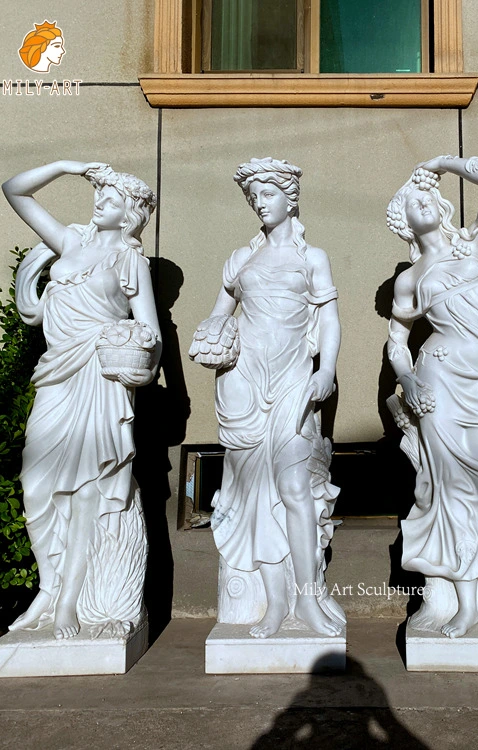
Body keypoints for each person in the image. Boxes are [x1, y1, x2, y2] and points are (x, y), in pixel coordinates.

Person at [2, 160, 160, 639]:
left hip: (99, 377)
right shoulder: (70, 242)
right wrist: (66, 166)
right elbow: (14, 191)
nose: (99, 203)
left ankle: (69, 601)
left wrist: (134, 357)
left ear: (130, 214)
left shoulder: (131, 262)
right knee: (36, 482)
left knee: (86, 489)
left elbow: (151, 333)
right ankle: (47, 590)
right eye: (99, 195)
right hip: (56, 374)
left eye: (111, 200)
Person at [190, 158, 343, 638]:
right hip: (243, 383)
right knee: (259, 497)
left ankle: (308, 600)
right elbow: (219, 316)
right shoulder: (240, 259)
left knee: (296, 492)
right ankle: (275, 603)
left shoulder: (311, 257)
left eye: (268, 193)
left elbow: (331, 319)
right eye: (254, 196)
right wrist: (211, 337)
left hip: (294, 382)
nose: (260, 202)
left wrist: (328, 371)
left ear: (290, 197)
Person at [385, 155, 478, 638]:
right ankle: (466, 600)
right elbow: (397, 342)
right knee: (454, 492)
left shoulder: (475, 244)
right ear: (403, 218)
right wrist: (411, 382)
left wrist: (444, 162)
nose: (422, 201)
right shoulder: (410, 277)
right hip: (438, 379)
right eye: (411, 200)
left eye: (426, 195)